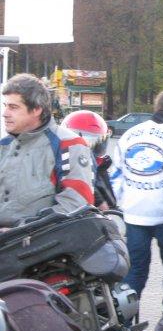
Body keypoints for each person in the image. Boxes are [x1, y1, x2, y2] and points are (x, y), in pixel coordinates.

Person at [110, 90, 163, 312]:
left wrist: (124, 204)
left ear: (155, 108)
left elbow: (116, 176)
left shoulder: (130, 134)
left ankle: (123, 318)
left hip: (134, 213)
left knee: (135, 269)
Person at [0, 74, 94, 227]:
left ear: (36, 109)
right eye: (5, 106)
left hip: (39, 238)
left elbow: (76, 202)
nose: (5, 113)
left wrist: (22, 230)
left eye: (13, 107)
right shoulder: (4, 145)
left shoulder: (67, 143)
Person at [61, 110, 116, 210]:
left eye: (98, 143)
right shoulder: (62, 165)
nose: (91, 150)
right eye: (87, 142)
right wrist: (99, 201)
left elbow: (111, 204)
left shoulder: (101, 167)